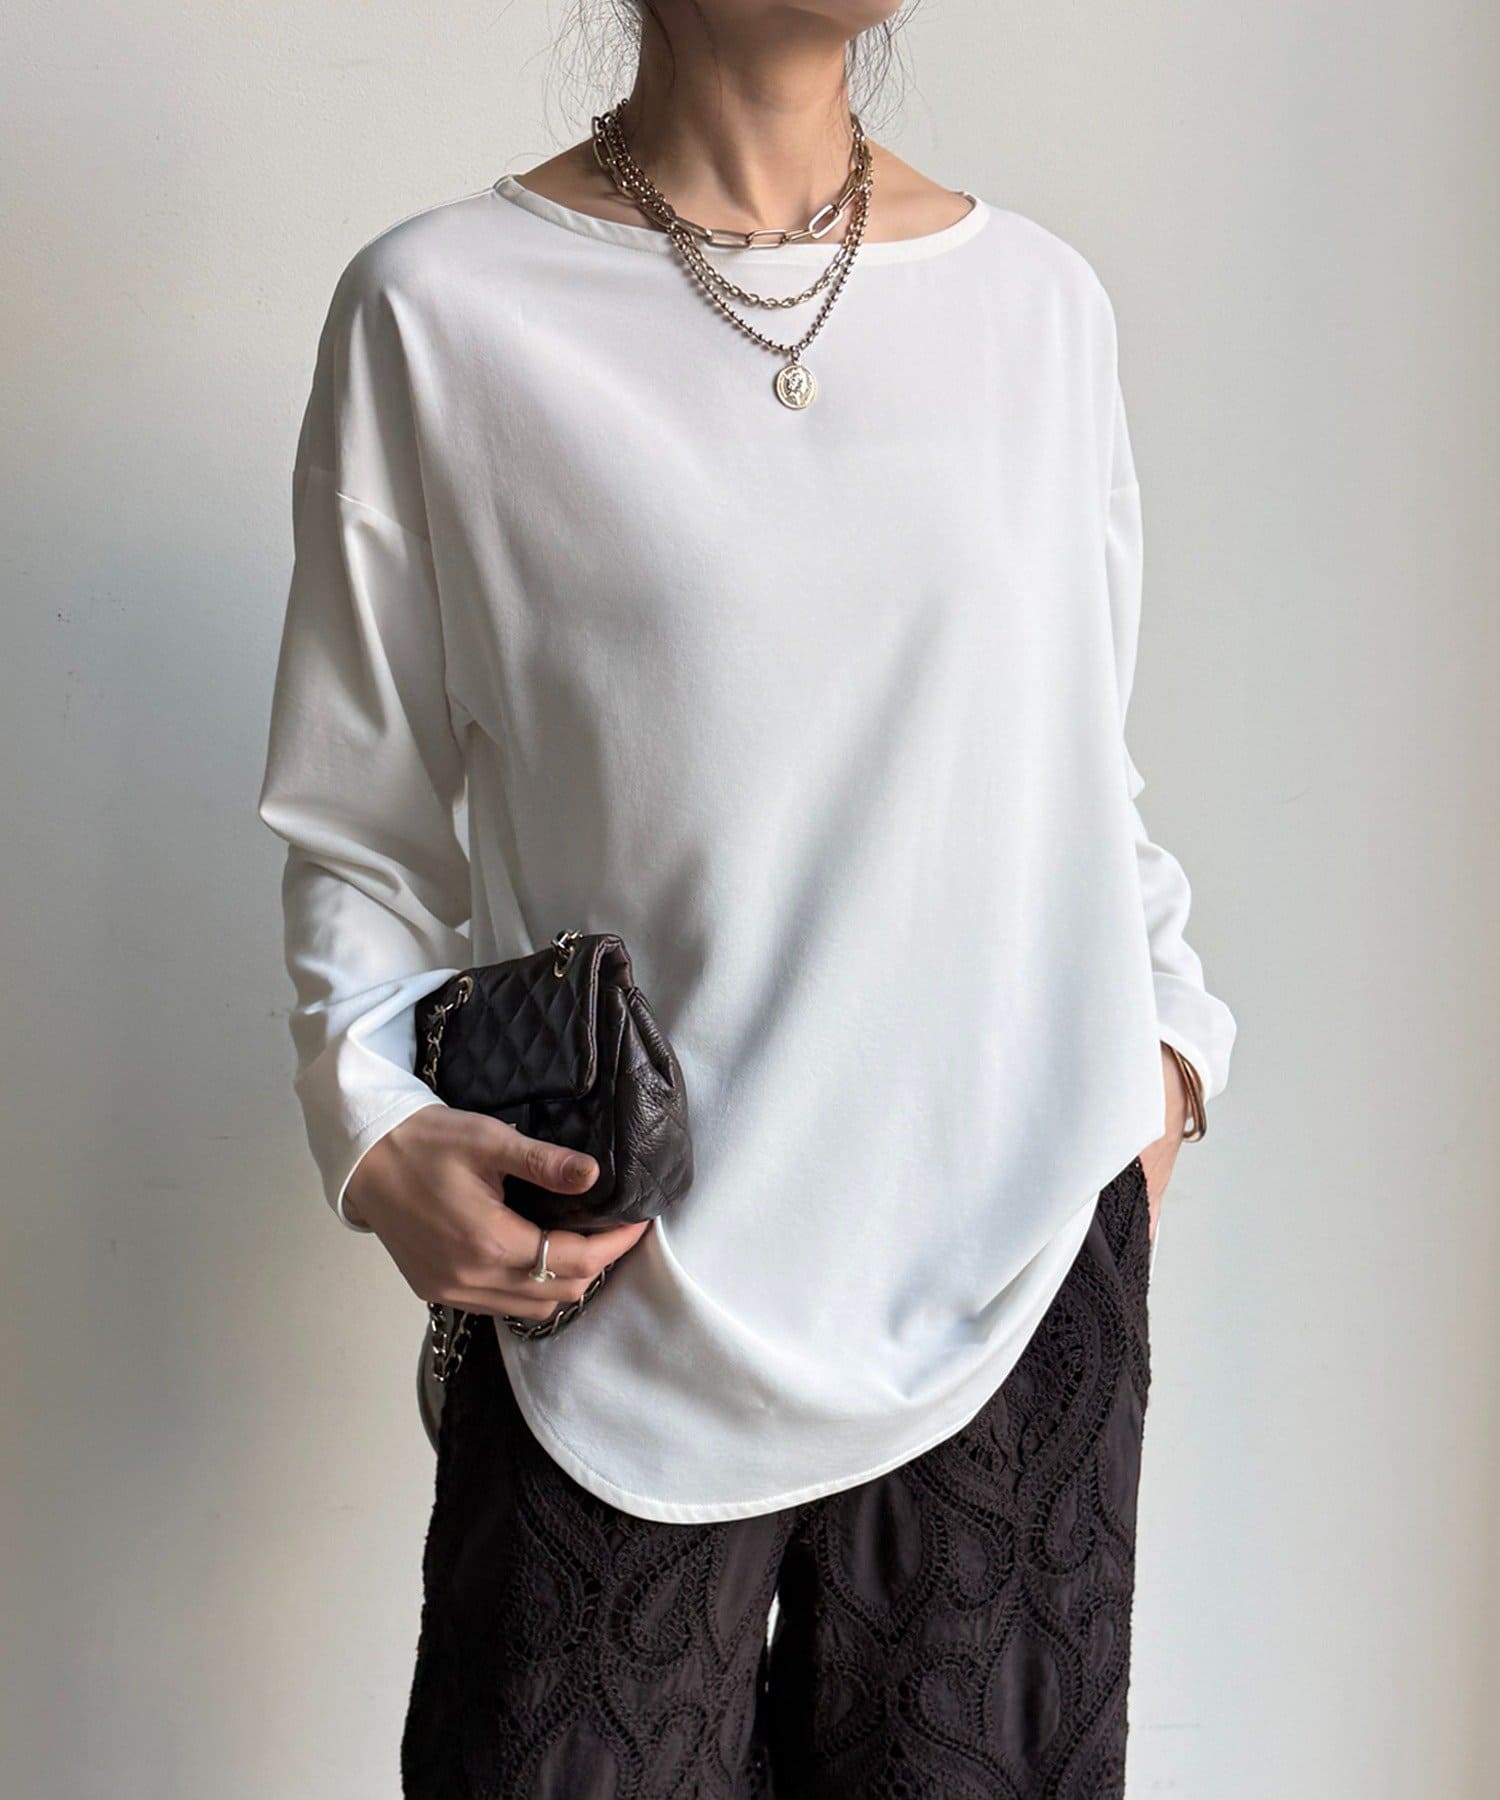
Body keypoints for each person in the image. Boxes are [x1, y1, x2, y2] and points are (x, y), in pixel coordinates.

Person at [257, 5, 1237, 1794]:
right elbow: (360, 821)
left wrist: (1165, 1061)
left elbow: (1080, 771)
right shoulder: (440, 310)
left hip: (1019, 1277)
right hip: (619, 1286)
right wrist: (375, 1130)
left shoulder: (1040, 307)